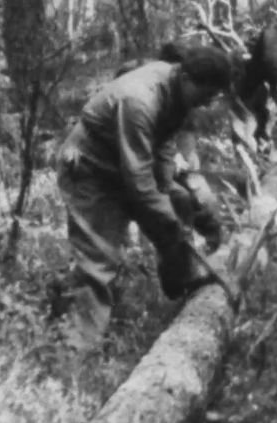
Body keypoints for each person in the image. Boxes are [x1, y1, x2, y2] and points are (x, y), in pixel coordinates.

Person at [53, 47, 235, 349]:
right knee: (100, 256)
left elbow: (162, 146)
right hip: (91, 170)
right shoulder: (139, 99)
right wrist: (164, 216)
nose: (206, 103)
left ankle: (183, 281)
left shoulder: (177, 90)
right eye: (204, 95)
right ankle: (78, 345)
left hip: (125, 164)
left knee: (177, 201)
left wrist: (166, 197)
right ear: (187, 78)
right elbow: (138, 180)